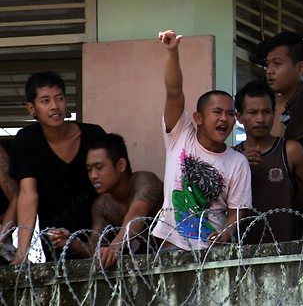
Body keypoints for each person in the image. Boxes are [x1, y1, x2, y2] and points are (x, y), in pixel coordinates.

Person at [152, 30, 251, 251]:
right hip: (171, 245)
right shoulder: (180, 135)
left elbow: (237, 210)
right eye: (217, 112)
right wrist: (172, 52)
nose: (224, 119)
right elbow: (174, 92)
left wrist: (225, 233)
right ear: (198, 118)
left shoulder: (237, 162)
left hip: (210, 250)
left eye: (230, 114)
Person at [10, 71, 106, 264]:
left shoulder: (93, 135)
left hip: (100, 240)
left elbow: (113, 187)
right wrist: (22, 253)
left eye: (59, 98)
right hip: (56, 242)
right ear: (32, 108)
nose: (55, 106)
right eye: (45, 101)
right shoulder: (27, 140)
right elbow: (28, 194)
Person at [47, 133, 163, 268]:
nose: (93, 176)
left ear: (120, 165)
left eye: (99, 167)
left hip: (176, 251)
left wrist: (114, 248)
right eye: (89, 169)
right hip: (148, 262)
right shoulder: (102, 205)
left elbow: (136, 215)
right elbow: (95, 249)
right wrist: (69, 241)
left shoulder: (145, 181)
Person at [234, 81, 303, 243]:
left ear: (274, 113)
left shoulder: (290, 151)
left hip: (287, 247)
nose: (261, 119)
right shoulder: (231, 157)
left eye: (266, 112)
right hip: (242, 251)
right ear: (239, 117)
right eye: (253, 113)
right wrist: (239, 165)